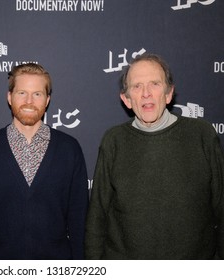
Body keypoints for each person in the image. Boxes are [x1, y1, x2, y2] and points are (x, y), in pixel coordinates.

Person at [85, 53, 224, 259]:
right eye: (137, 86)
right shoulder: (113, 140)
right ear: (127, 99)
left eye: (155, 84)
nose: (146, 93)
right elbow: (98, 217)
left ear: (169, 94)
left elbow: (221, 208)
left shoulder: (202, 135)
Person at [0, 63, 88, 259]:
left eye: (37, 94)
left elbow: (79, 220)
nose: (29, 101)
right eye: (22, 93)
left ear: (47, 100)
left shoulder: (69, 149)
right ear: (9, 97)